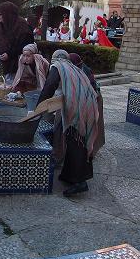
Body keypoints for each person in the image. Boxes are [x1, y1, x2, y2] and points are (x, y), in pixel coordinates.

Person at [36, 50, 99, 196]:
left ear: (55, 59)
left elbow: (49, 86)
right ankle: (69, 175)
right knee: (74, 140)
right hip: (87, 104)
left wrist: (37, 108)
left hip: (79, 107)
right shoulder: (72, 67)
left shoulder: (57, 66)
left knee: (76, 141)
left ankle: (80, 182)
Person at [69, 53, 105, 158]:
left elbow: (90, 90)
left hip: (94, 100)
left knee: (90, 126)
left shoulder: (84, 71)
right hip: (86, 100)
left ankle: (89, 152)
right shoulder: (77, 69)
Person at [0, 2, 35, 77]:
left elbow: (26, 46)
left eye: (1, 14)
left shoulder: (23, 26)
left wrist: (9, 54)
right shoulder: (1, 26)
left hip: (20, 67)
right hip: (4, 66)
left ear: (7, 15)